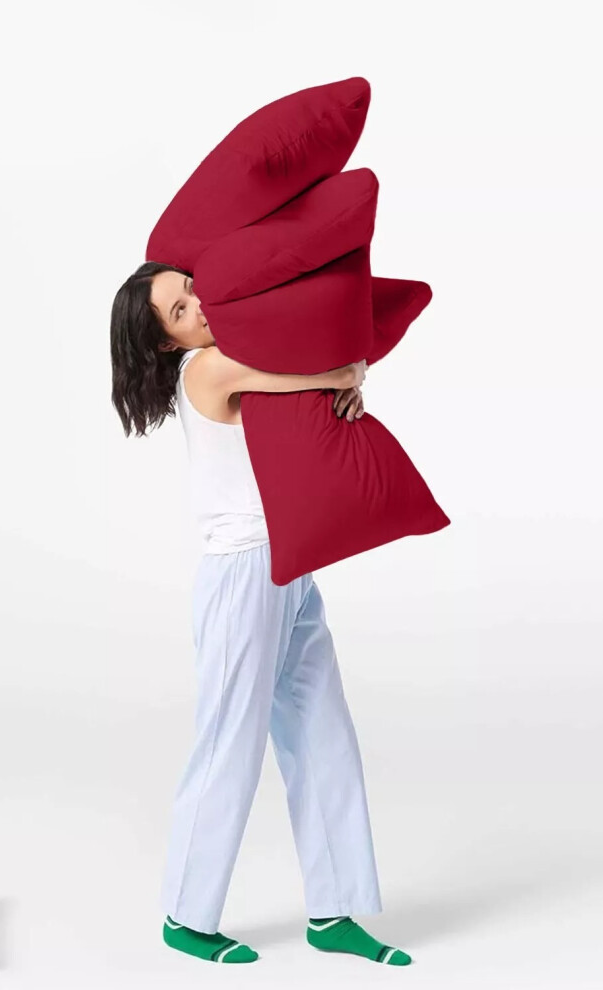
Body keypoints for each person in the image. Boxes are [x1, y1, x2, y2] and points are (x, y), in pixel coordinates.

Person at [109, 261, 412, 967]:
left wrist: (345, 388)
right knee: (230, 742)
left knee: (322, 731)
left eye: (190, 289)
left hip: (289, 564)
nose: (198, 306)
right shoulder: (206, 369)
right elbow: (307, 371)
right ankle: (186, 916)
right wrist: (345, 375)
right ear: (167, 343)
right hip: (241, 572)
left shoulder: (234, 357)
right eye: (179, 311)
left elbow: (308, 392)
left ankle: (333, 912)